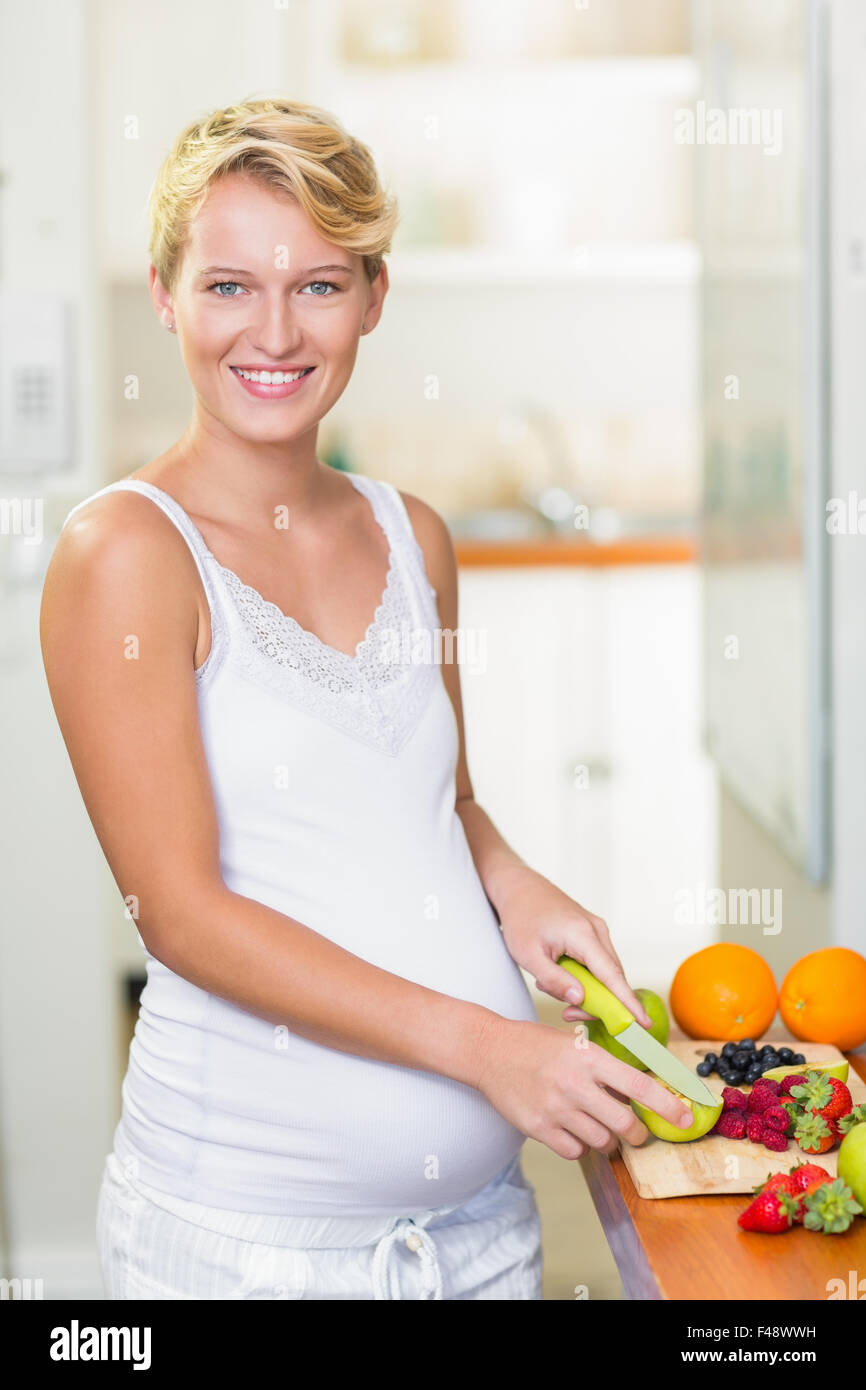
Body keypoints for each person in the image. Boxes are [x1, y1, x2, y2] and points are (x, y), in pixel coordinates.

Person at [39, 96, 694, 1301]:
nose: (274, 331)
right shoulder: (126, 553)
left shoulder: (415, 534)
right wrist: (490, 1049)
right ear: (164, 294)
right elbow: (179, 915)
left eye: (319, 286)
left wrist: (514, 885)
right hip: (242, 1252)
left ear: (375, 299)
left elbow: (440, 802)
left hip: (475, 1238)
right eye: (228, 285)